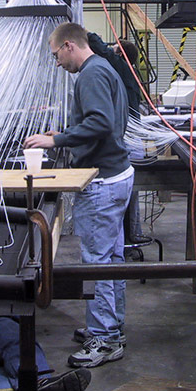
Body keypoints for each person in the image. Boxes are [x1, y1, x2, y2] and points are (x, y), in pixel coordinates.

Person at [25, 23, 133, 369]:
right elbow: (105, 121)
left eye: (56, 55)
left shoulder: (90, 74)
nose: (57, 63)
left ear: (69, 46)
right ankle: (111, 326)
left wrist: (54, 141)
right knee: (111, 258)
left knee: (98, 260)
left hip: (101, 181)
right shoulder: (104, 67)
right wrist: (69, 132)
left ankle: (105, 339)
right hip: (115, 174)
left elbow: (101, 123)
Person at [86, 33, 149, 246]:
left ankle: (127, 240)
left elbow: (102, 49)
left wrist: (84, 34)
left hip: (129, 140)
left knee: (123, 198)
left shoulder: (121, 66)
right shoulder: (128, 71)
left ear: (120, 54)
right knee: (129, 198)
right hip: (132, 138)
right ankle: (130, 237)